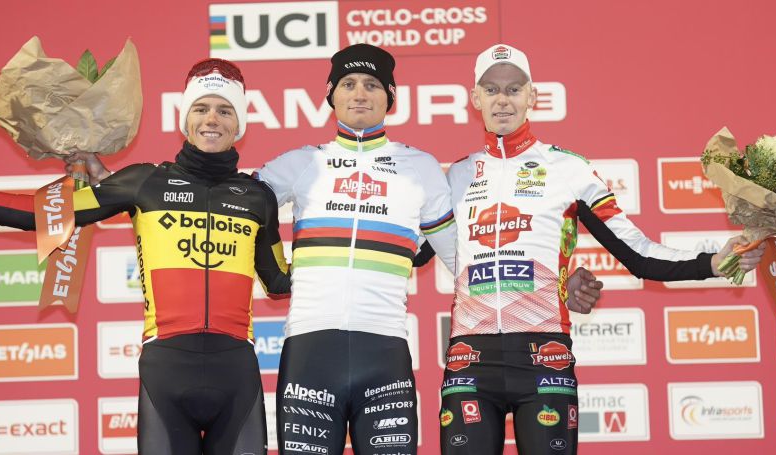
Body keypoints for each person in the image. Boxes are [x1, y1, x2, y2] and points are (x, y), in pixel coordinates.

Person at [0, 58, 289, 455]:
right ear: (186, 118)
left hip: (237, 374)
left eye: (225, 110)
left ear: (239, 122)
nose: (212, 119)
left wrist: (328, 251)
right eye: (201, 108)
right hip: (167, 370)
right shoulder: (145, 181)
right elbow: (42, 215)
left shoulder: (257, 197)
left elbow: (279, 281)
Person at [252, 44, 602, 455]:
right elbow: (240, 204)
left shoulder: (419, 167)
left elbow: (465, 258)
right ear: (330, 94)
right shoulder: (300, 164)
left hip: (384, 350)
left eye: (372, 85)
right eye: (348, 84)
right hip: (309, 350)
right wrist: (275, 274)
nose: (360, 94)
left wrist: (553, 285)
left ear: (391, 96)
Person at [425, 43, 766, 455]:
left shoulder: (569, 169)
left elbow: (637, 253)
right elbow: (409, 250)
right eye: (492, 90)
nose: (503, 100)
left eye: (514, 89)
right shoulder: (455, 177)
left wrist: (712, 262)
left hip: (544, 358)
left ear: (533, 96)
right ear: (475, 98)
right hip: (469, 362)